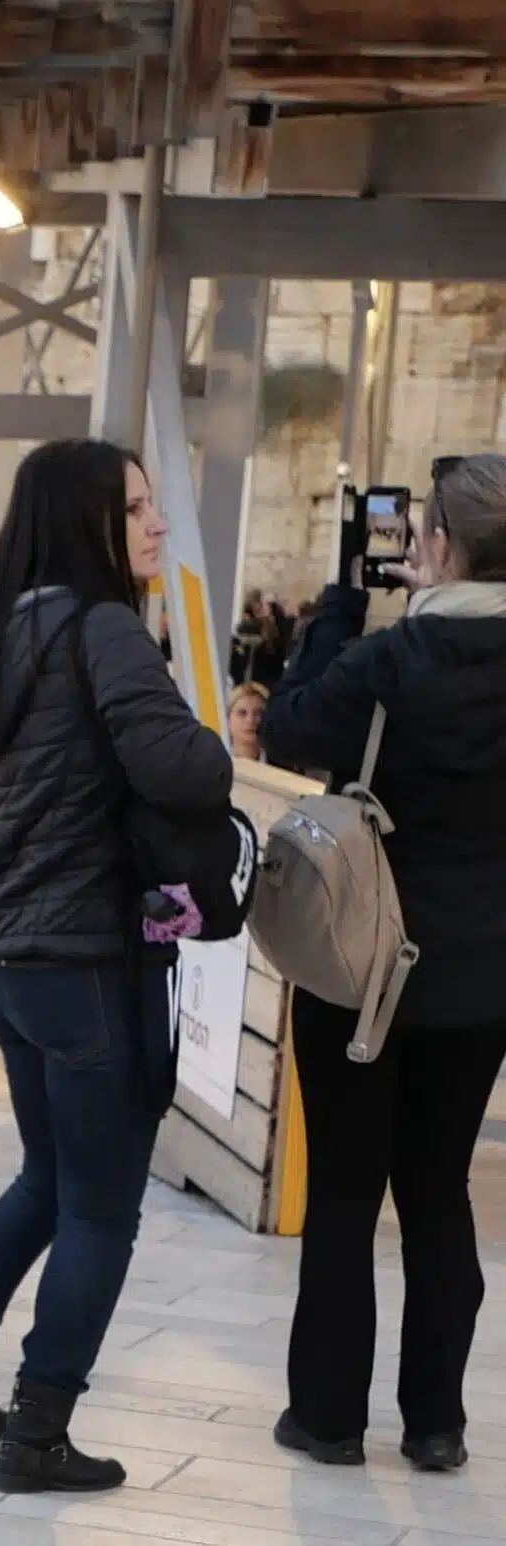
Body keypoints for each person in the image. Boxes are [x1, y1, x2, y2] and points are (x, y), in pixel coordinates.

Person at [0, 439, 235, 1493]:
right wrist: (218, 733)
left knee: (48, 1179)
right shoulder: (103, 628)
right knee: (98, 1204)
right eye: (135, 508)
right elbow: (186, 764)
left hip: (2, 947)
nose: (155, 525)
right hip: (87, 954)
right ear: (89, 519)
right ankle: (36, 1430)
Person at [260, 455, 506, 1474]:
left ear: (433, 545)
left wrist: (339, 605)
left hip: (359, 959)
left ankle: (326, 1416)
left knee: (347, 1192)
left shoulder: (388, 660)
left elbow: (285, 721)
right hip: (481, 970)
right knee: (439, 1189)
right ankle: (435, 1421)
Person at [226, 681, 268, 764]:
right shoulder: (212, 763)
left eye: (258, 713)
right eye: (242, 713)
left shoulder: (284, 767)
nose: (250, 720)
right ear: (228, 719)